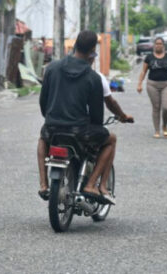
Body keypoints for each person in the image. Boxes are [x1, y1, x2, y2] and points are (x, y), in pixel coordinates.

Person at [37, 30, 132, 204]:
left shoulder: (52, 68)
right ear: (92, 50)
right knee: (110, 139)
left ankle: (43, 184)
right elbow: (97, 115)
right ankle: (90, 185)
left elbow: (43, 102)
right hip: (80, 132)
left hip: (53, 128)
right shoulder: (93, 78)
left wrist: (50, 119)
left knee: (43, 137)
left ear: (75, 45)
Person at [137, 37, 167, 138]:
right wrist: (139, 84)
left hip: (166, 84)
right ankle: (157, 130)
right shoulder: (149, 57)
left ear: (163, 45)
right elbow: (143, 71)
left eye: (160, 44)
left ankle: (164, 125)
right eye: (156, 44)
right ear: (154, 45)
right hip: (152, 85)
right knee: (156, 108)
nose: (158, 45)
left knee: (166, 107)